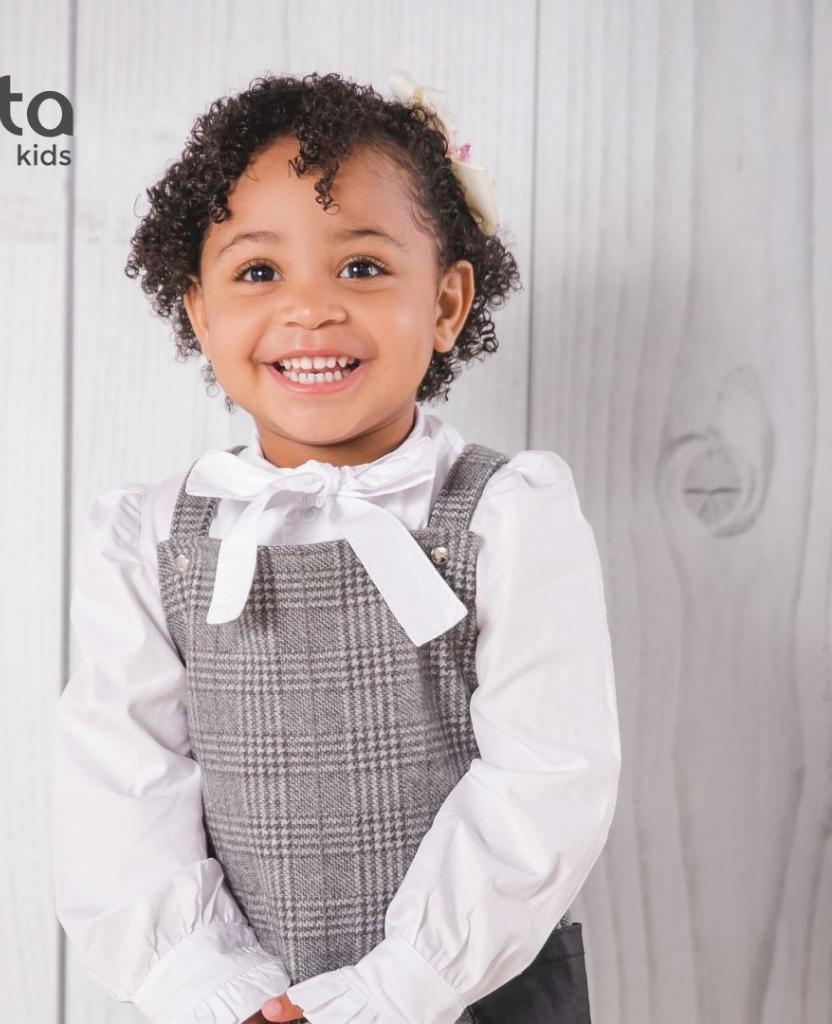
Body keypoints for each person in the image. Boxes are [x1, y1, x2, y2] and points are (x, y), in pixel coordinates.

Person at [53, 70, 622, 1024]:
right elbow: (120, 787)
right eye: (258, 273)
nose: (310, 308)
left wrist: (397, 989)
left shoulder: (507, 515)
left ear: (446, 302)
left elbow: (547, 778)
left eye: (360, 267)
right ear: (200, 312)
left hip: (472, 990)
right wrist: (212, 986)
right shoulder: (149, 539)